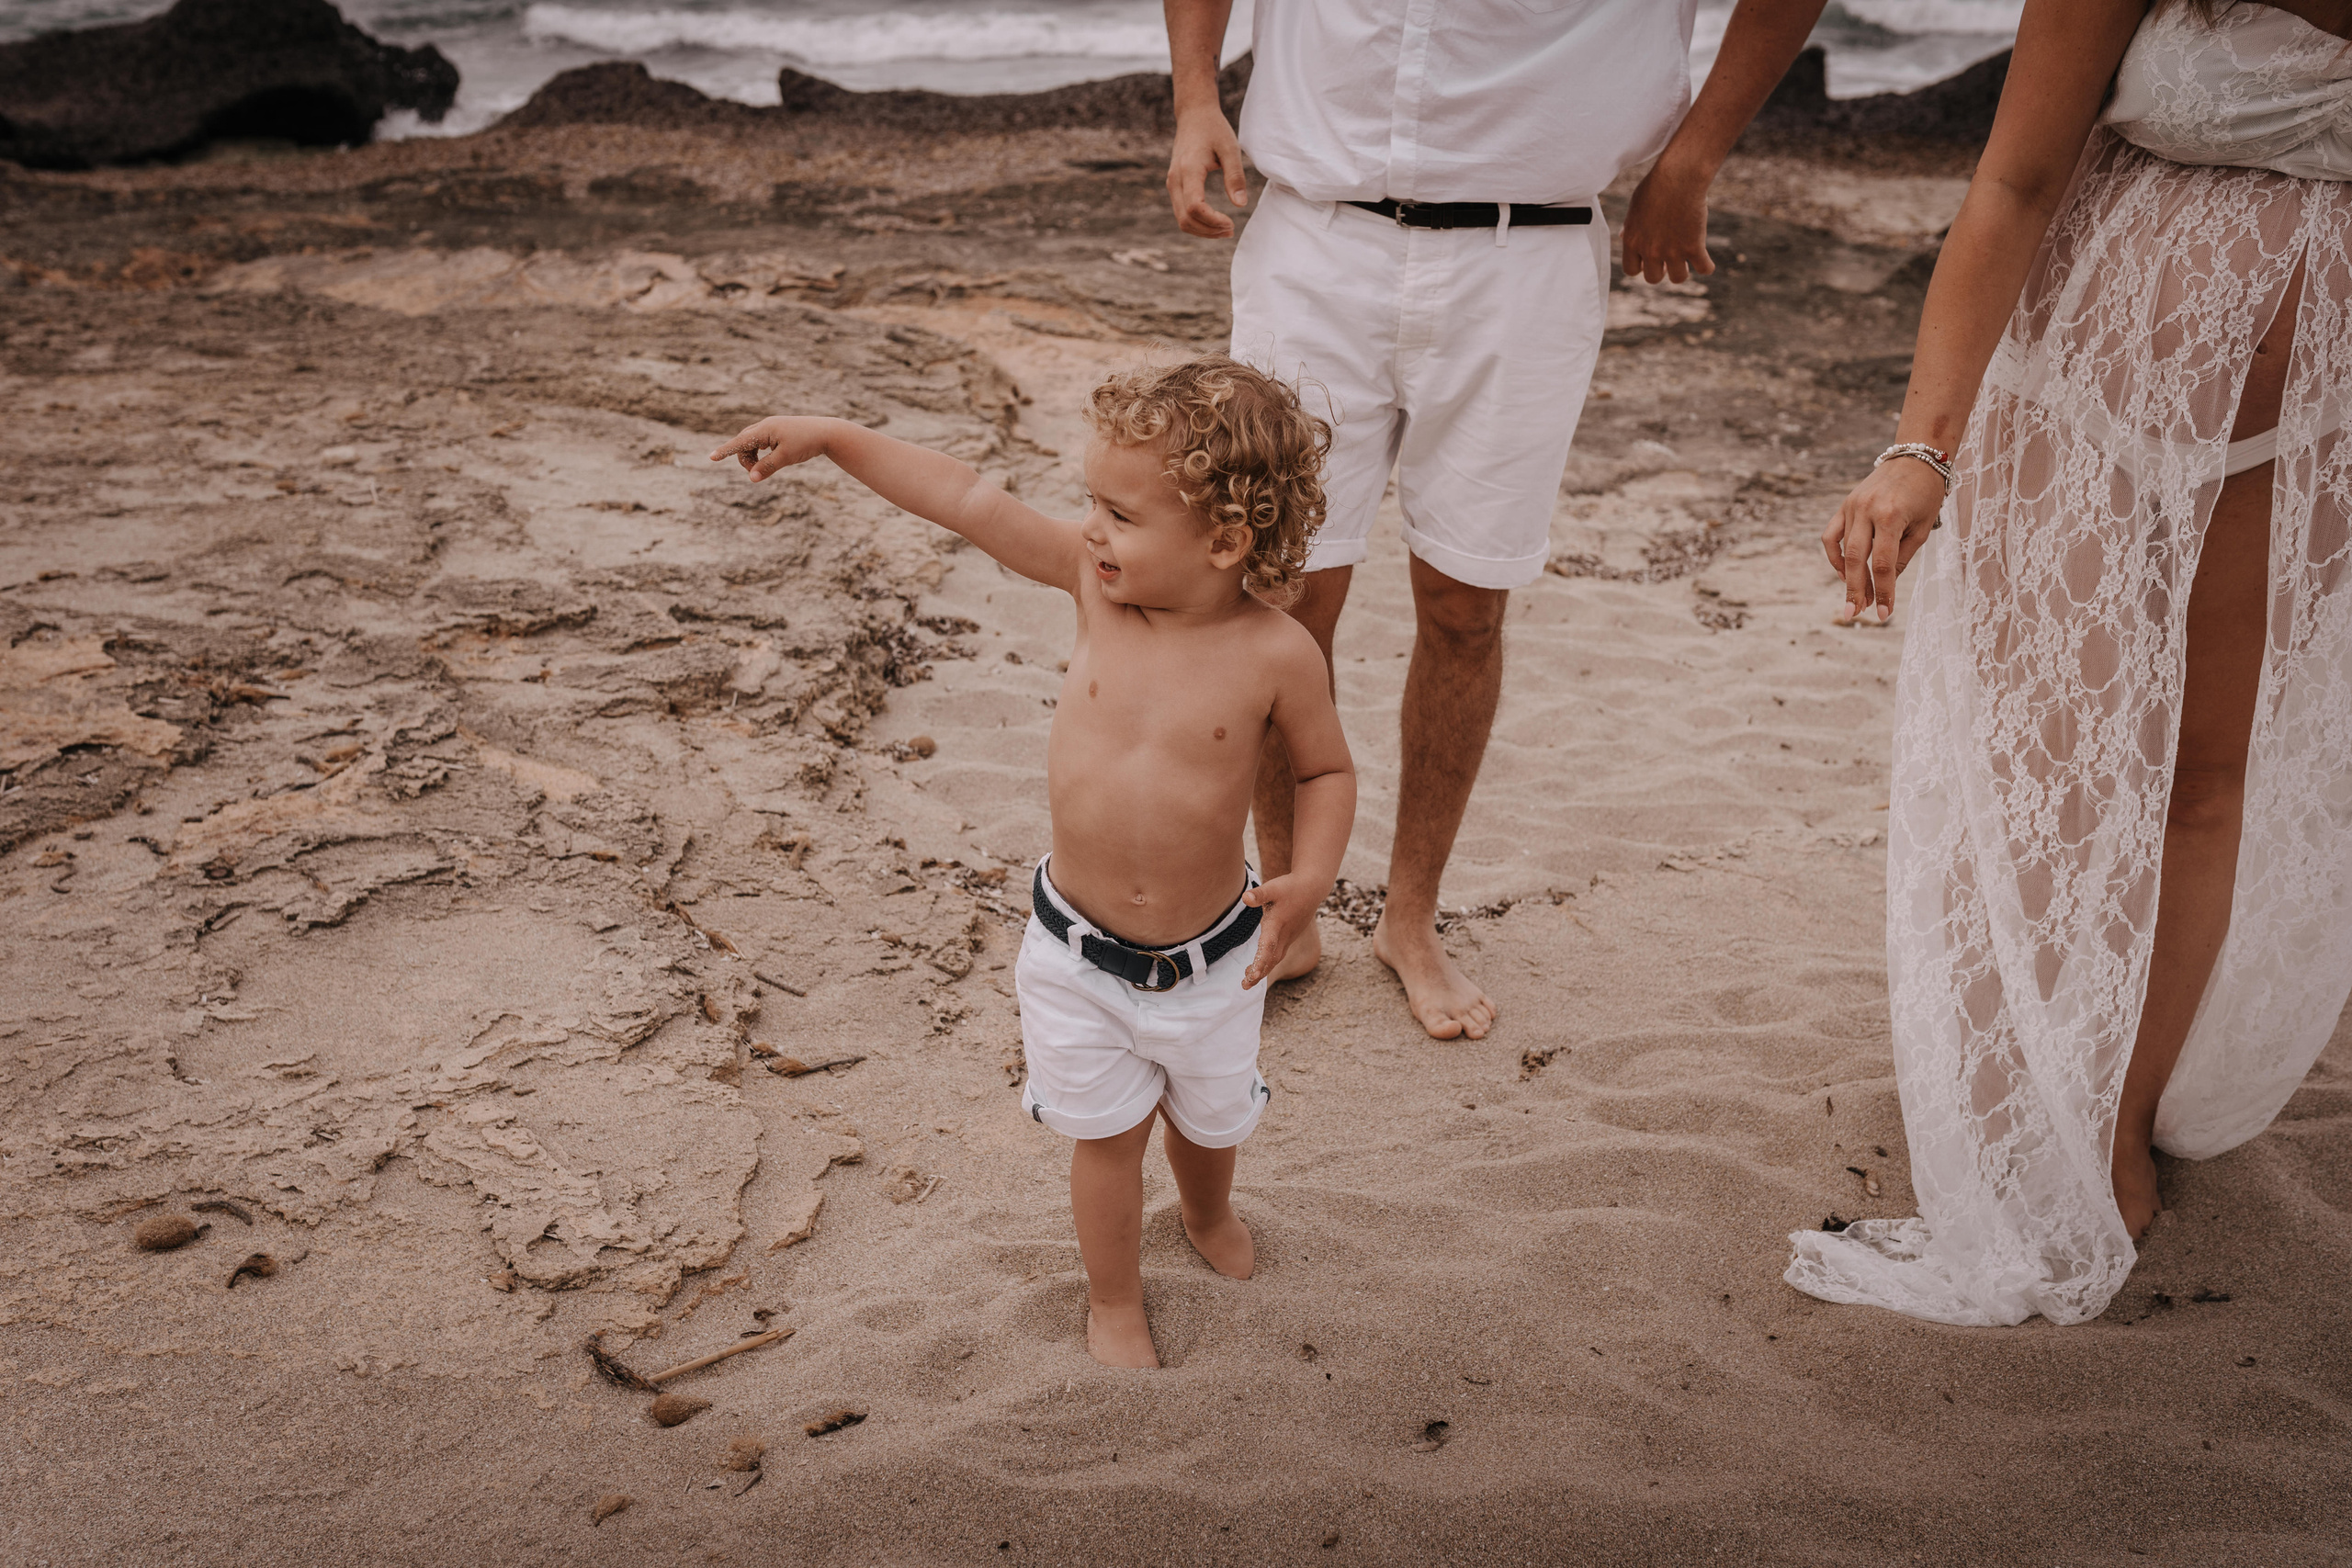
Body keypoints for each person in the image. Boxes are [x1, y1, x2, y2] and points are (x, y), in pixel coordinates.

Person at [1789, 0, 2352, 1326]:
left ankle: (2117, 1118)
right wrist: (1923, 444)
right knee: (2055, 755)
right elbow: (2015, 176)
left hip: (2319, 415)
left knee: (2206, 771)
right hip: (2091, 377)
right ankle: (2019, 1072)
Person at [1162, 0, 1830, 1040]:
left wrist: (1694, 158)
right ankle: (1286, 910)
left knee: (1466, 602)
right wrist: (1196, 93)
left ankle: (1410, 919)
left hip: (1529, 258)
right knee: (1278, 597)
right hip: (1313, 240)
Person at [709, 357, 1357, 1368]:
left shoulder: (1275, 653)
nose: (1091, 528)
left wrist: (1312, 876)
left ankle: (1204, 1213)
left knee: (1209, 1118)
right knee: (1104, 1139)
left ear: (1225, 539)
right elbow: (967, 498)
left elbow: (1323, 772)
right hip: (1078, 956)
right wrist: (834, 436)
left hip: (1219, 958)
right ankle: (1111, 1301)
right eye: (1089, 504)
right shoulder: (1092, 591)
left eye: (1120, 514)